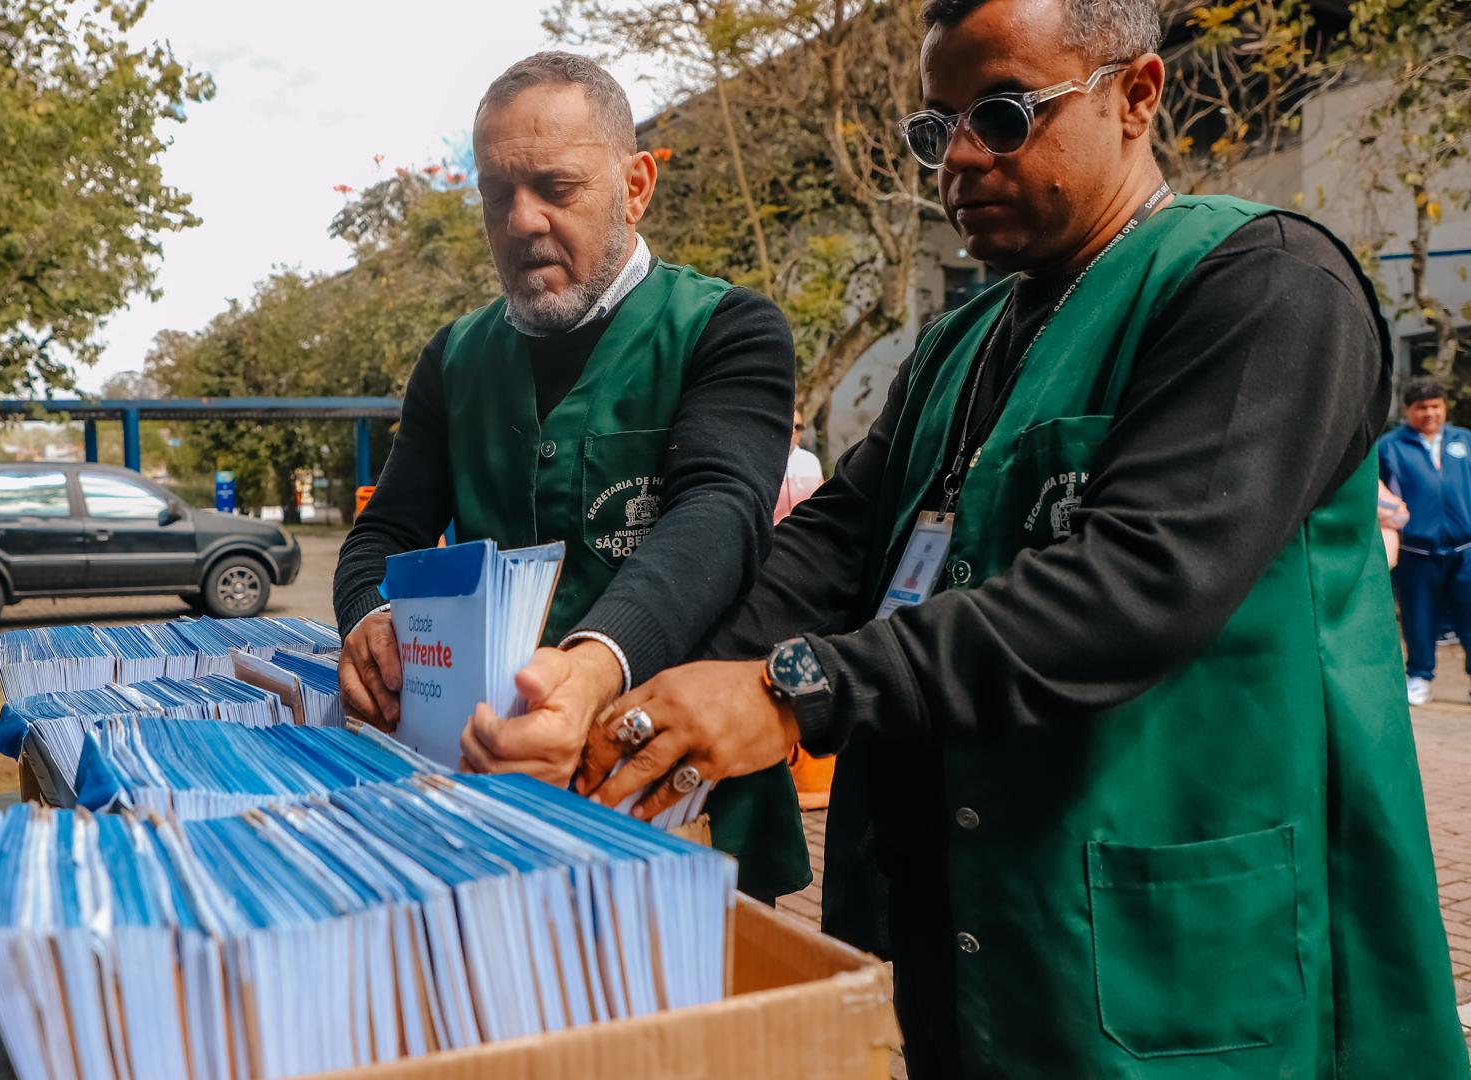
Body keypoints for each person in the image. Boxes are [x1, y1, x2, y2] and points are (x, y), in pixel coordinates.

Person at [572, 0, 1469, 1073]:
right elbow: (835, 546)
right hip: (964, 923)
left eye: (1003, 116)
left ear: (1137, 95)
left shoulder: (1263, 285)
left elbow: (1135, 587)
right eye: (934, 124)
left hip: (1171, 941)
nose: (956, 157)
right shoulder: (958, 342)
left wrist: (789, 689)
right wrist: (640, 687)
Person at [331, 52, 810, 901]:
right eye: (495, 195)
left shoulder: (727, 330)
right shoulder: (453, 359)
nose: (521, 221)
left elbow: (720, 513)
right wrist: (368, 616)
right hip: (496, 804)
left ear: (635, 186)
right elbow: (384, 532)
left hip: (685, 803)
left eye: (556, 186)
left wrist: (596, 665)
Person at [1378, 379, 1471, 705]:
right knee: (1419, 617)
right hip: (1415, 550)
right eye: (1422, 407)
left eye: (1436, 406)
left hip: (1465, 549)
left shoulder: (1464, 440)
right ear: (1408, 410)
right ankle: (1419, 676)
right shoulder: (1390, 446)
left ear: (1444, 407)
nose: (1430, 413)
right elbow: (1379, 493)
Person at [774, 408, 826, 522]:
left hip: (806, 532)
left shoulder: (812, 461)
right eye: (789, 425)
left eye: (798, 427)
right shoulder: (767, 459)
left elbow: (821, 500)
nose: (793, 431)